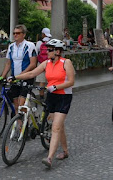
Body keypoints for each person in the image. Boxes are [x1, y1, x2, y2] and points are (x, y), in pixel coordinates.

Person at [13, 39, 75, 168]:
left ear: (58, 51)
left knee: (56, 127)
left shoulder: (66, 62)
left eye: (50, 50)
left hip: (64, 97)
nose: (47, 52)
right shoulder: (46, 63)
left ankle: (49, 158)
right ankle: (65, 151)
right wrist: (15, 77)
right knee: (58, 125)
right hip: (51, 97)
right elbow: (32, 73)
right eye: (47, 49)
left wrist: (56, 87)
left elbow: (71, 82)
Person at [0, 24, 37, 111]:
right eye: (14, 33)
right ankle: (19, 124)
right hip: (15, 78)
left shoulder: (30, 46)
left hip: (27, 77)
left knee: (21, 104)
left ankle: (28, 120)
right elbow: (8, 63)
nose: (15, 35)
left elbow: (33, 64)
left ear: (23, 34)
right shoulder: (11, 47)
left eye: (18, 33)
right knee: (16, 106)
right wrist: (2, 76)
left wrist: (22, 74)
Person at [35, 27, 52, 98]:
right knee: (50, 80)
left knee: (42, 81)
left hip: (41, 63)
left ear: (43, 34)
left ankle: (41, 96)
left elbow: (36, 52)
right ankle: (50, 96)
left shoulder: (39, 43)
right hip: (50, 63)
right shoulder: (51, 41)